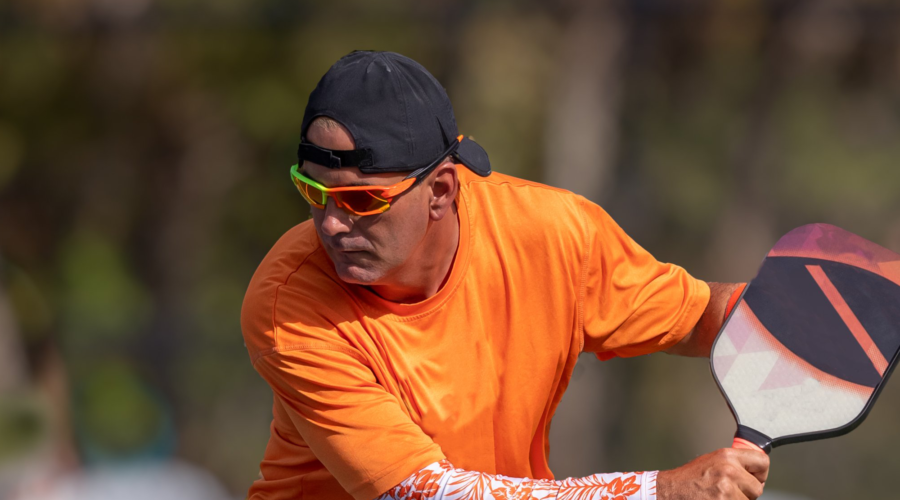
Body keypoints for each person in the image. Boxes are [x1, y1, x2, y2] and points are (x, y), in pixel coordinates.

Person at [241, 50, 769, 500]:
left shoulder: (552, 234)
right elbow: (431, 492)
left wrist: (803, 320)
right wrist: (660, 490)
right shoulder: (287, 307)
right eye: (313, 192)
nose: (331, 222)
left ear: (442, 191)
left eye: (361, 199)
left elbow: (702, 317)